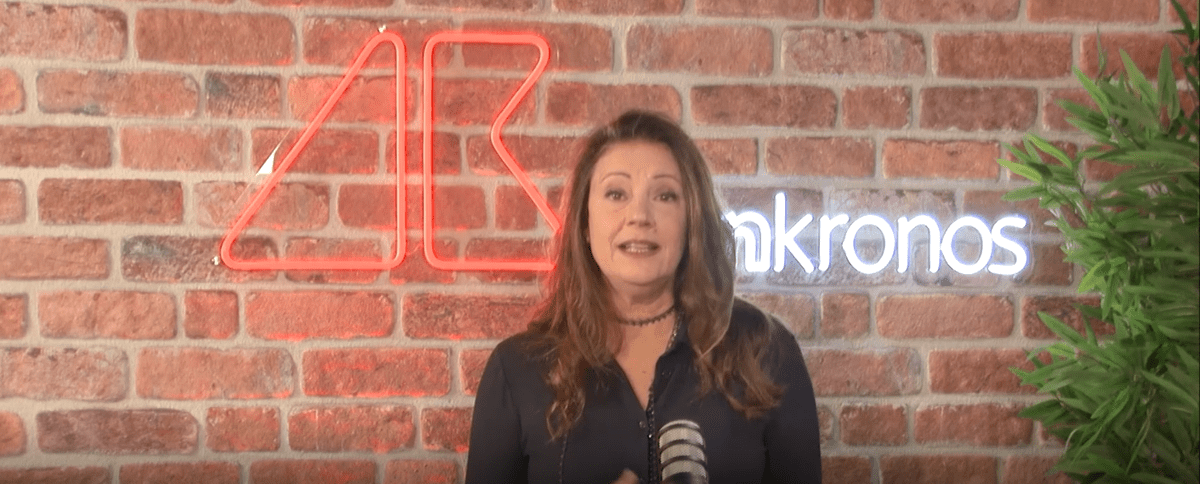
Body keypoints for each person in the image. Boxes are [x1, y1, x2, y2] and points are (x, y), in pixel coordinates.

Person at [465, 110, 822, 484]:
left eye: (665, 195)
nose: (639, 215)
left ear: (692, 221)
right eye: (616, 194)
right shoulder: (516, 369)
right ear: (585, 223)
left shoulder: (765, 351)